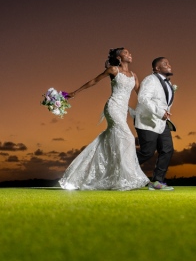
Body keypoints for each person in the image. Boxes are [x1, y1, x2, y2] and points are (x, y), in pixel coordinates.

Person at [58, 48, 150, 191]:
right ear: (119, 57)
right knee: (128, 138)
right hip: (112, 107)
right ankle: (128, 178)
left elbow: (141, 94)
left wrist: (156, 103)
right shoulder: (113, 70)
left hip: (122, 110)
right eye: (126, 53)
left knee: (112, 139)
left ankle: (114, 176)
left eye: (130, 52)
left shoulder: (134, 75)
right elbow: (94, 81)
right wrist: (74, 93)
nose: (130, 54)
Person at [135, 57, 176, 191]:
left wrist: (164, 114)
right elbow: (143, 98)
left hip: (162, 123)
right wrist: (159, 112)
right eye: (165, 63)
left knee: (167, 149)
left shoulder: (168, 83)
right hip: (148, 121)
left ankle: (157, 181)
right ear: (157, 68)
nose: (169, 65)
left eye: (169, 63)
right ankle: (121, 167)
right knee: (147, 152)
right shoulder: (150, 80)